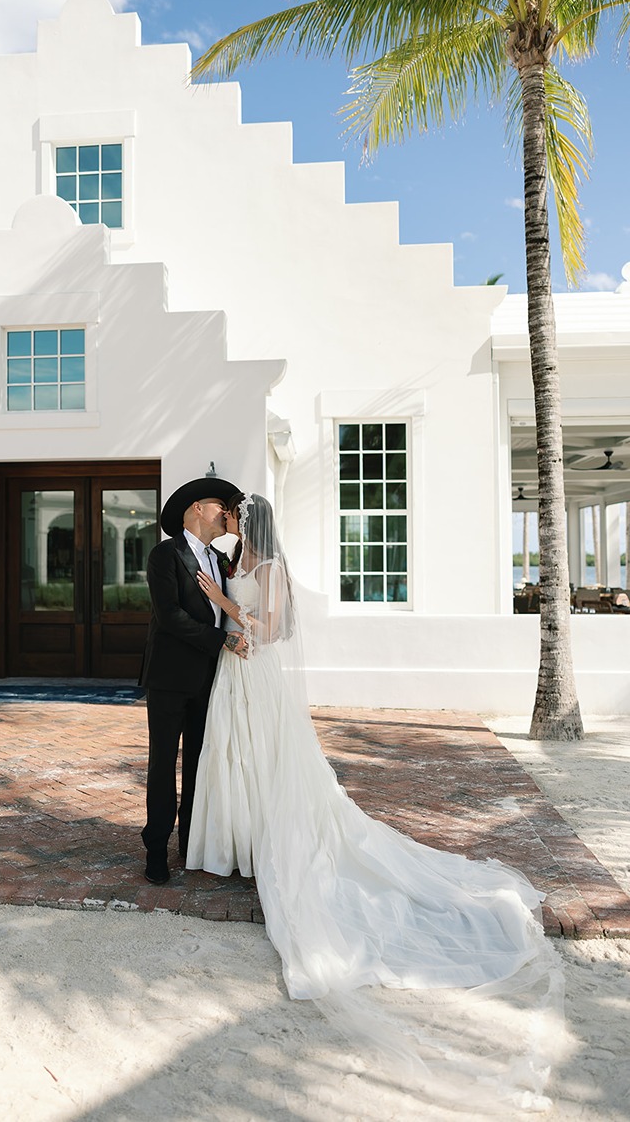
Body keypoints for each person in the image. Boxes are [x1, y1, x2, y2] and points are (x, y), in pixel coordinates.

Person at [188, 492, 564, 1111]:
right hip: (234, 676)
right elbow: (236, 625)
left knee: (274, 766)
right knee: (236, 763)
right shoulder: (234, 563)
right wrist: (225, 614)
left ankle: (272, 841)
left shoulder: (270, 572)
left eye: (232, 516)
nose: (226, 519)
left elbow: (277, 629)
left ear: (248, 522)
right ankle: (238, 841)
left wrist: (225, 604)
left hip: (262, 678)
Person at [139, 476, 247, 886]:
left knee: (201, 765)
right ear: (196, 508)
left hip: (210, 681)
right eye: (220, 505)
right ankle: (155, 849)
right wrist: (224, 641)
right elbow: (171, 617)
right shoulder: (164, 555)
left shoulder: (220, 559)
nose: (225, 512)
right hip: (169, 677)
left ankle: (190, 842)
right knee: (163, 764)